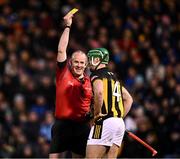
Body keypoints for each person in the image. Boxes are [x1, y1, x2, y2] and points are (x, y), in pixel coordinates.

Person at [49, 10, 93, 158]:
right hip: (62, 125)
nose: (79, 65)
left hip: (81, 127)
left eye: (82, 63)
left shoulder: (90, 81)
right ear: (70, 62)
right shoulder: (63, 73)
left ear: (86, 65)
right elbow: (61, 50)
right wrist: (68, 27)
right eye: (76, 62)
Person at [86, 48, 133, 158]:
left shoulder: (96, 75)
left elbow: (99, 93)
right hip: (119, 123)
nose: (88, 63)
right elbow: (129, 99)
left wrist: (97, 115)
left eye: (90, 59)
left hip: (102, 122)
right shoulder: (114, 77)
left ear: (97, 59)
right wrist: (117, 118)